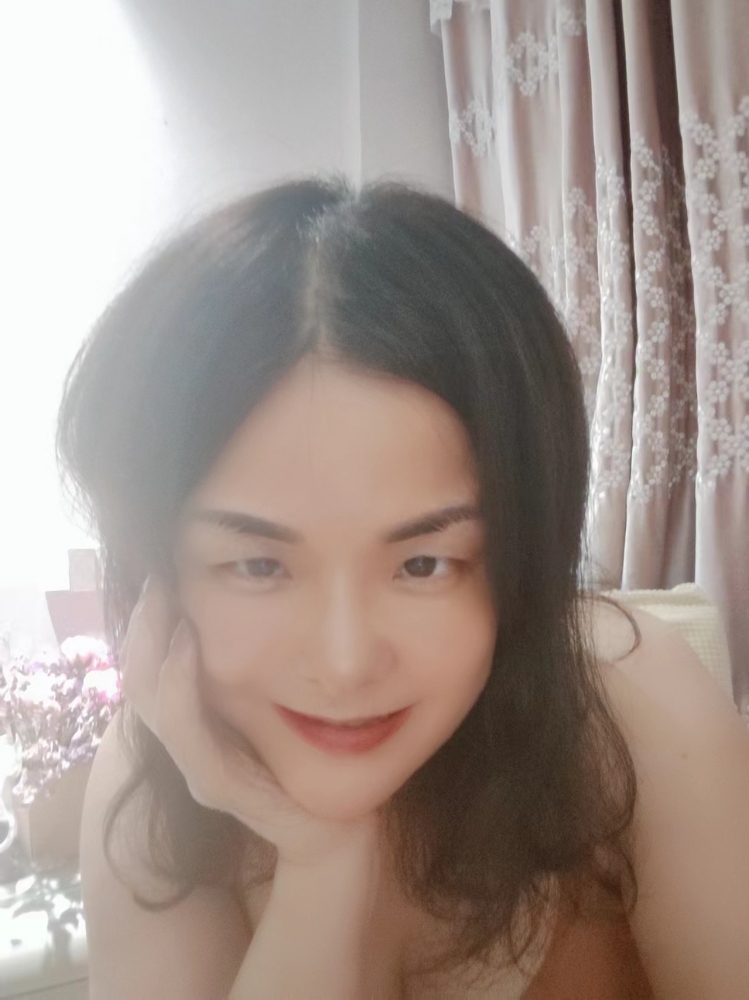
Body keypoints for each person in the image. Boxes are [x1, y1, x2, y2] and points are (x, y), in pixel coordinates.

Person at [57, 177, 749, 999]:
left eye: (424, 565)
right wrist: (321, 875)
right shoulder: (151, 788)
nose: (345, 664)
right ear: (158, 570)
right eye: (259, 566)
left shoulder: (629, 707)